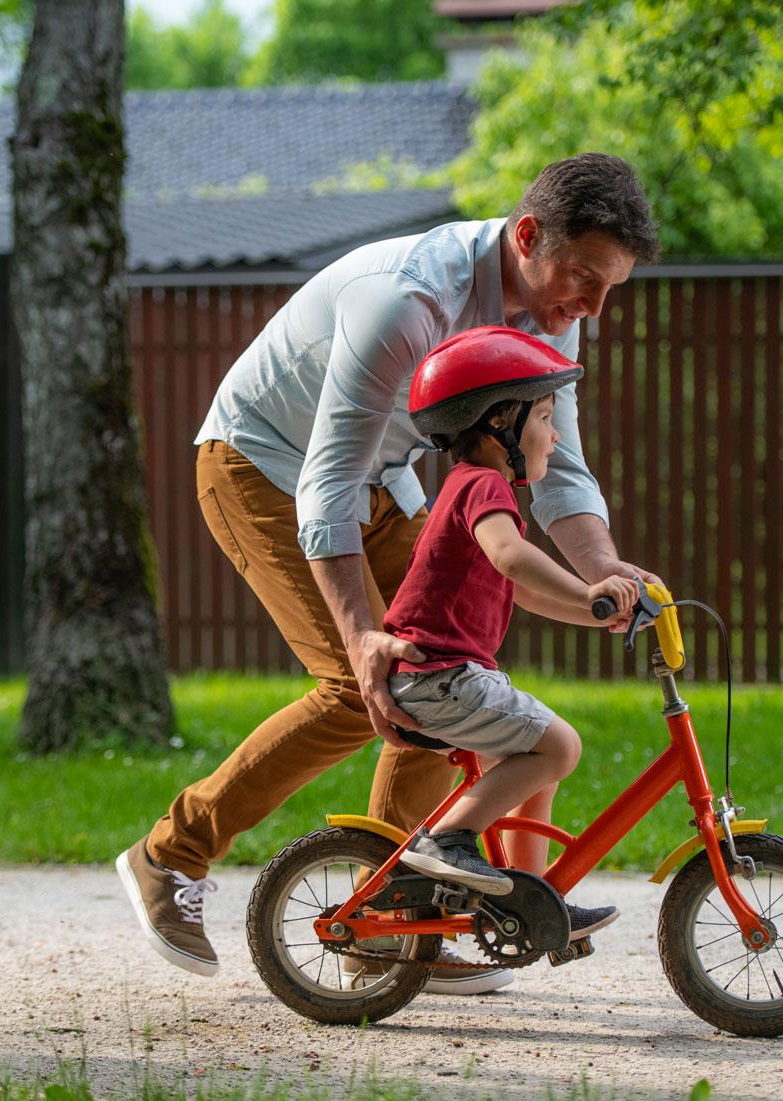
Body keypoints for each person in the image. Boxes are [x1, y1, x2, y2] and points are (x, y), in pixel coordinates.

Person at [117, 153, 662, 993]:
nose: (589, 305)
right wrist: (363, 634)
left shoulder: (557, 308)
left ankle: (396, 911)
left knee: (447, 673)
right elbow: (325, 479)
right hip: (263, 463)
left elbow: (558, 468)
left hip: (382, 476)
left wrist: (605, 569)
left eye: (608, 288)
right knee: (360, 680)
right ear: (526, 235)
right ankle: (169, 854)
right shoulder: (410, 299)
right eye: (583, 276)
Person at [384, 327, 637, 937]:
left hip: (439, 674)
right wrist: (587, 589)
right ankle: (446, 841)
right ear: (500, 421)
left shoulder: (472, 487)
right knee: (559, 748)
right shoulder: (483, 484)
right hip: (438, 673)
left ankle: (534, 899)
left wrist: (596, 613)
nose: (554, 433)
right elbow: (512, 558)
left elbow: (514, 587)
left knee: (533, 758)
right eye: (545, 416)